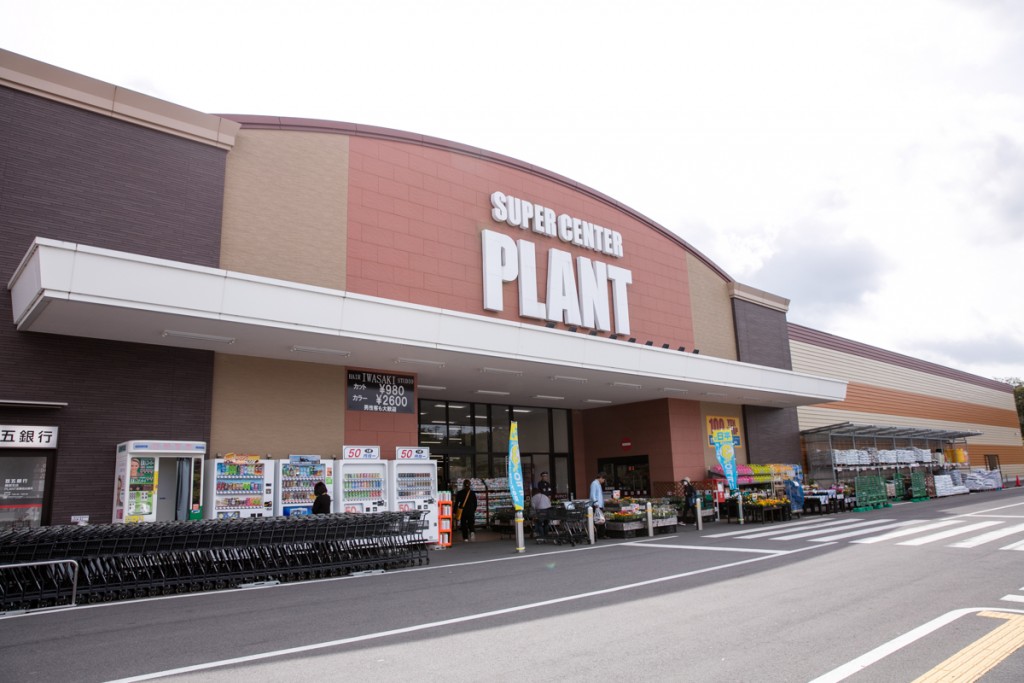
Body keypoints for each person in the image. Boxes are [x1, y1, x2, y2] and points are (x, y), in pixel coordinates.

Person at [589, 472, 607, 536]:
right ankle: (597, 534)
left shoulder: (598, 484)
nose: (604, 481)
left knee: (600, 519)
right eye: (604, 479)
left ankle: (600, 534)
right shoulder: (594, 483)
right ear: (601, 477)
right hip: (596, 505)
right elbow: (592, 494)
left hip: (599, 505)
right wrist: (596, 503)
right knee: (597, 519)